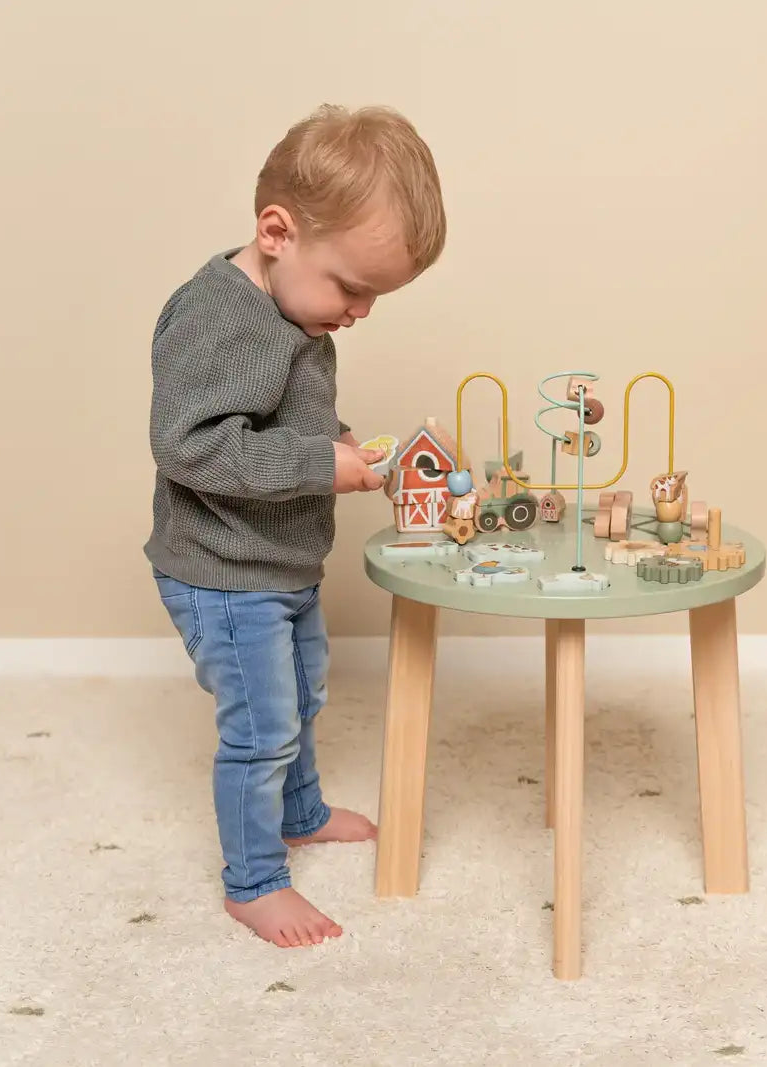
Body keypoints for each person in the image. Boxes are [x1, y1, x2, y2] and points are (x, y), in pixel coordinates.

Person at [144, 104, 446, 948]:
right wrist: (319, 465)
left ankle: (300, 810)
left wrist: (341, 445)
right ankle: (253, 880)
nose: (358, 312)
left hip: (281, 563)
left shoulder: (295, 308)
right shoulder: (218, 316)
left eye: (374, 296)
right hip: (223, 571)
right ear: (276, 231)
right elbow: (190, 446)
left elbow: (280, 416)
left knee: (305, 693)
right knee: (261, 725)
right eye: (351, 288)